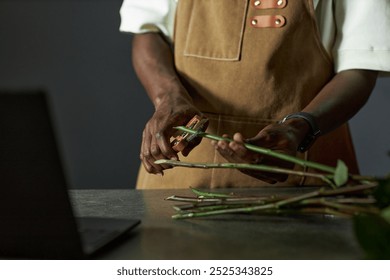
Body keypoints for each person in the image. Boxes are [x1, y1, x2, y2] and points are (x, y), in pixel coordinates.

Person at [120, 0, 390, 189]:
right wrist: (167, 98)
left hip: (302, 176)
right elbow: (148, 31)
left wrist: (299, 128)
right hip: (180, 175)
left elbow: (360, 67)